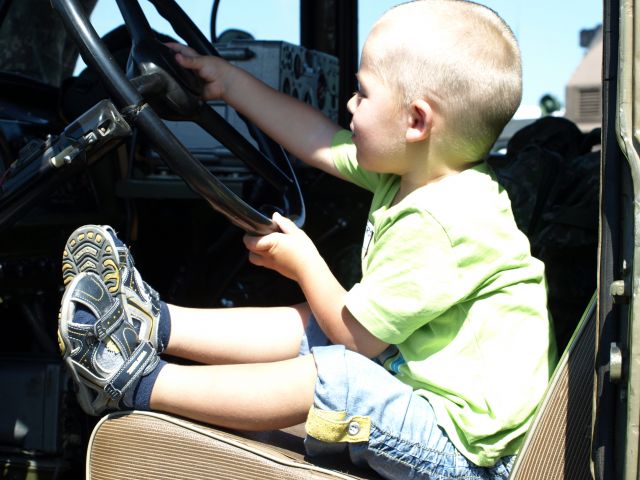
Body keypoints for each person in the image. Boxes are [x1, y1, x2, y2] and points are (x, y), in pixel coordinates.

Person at [57, 1, 557, 478]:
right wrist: (229, 83)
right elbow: (318, 139)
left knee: (341, 378)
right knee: (314, 321)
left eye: (363, 92)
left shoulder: (443, 221)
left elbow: (355, 340)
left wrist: (304, 261)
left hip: (468, 457)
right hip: (434, 403)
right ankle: (152, 322)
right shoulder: (418, 172)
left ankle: (136, 381)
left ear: (417, 121)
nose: (350, 104)